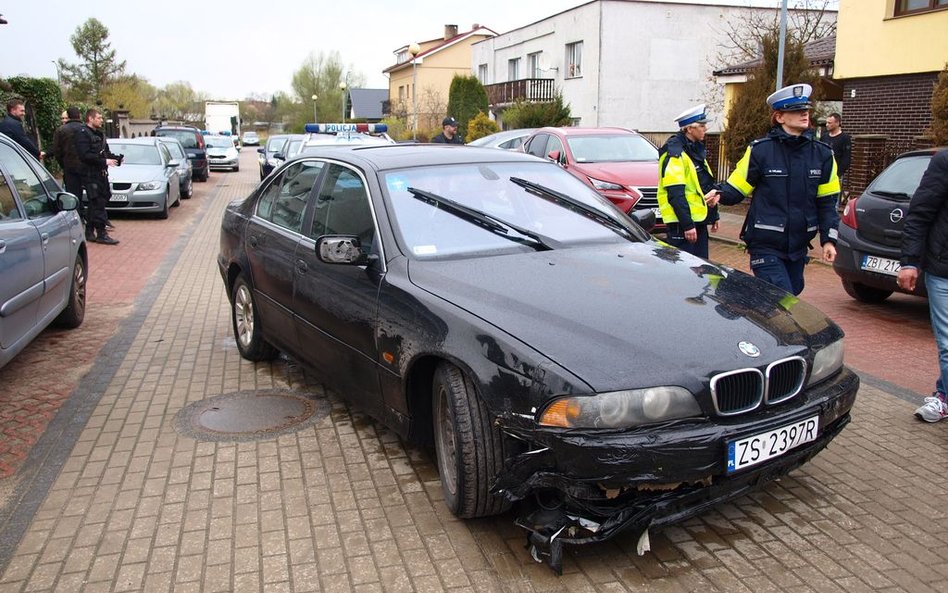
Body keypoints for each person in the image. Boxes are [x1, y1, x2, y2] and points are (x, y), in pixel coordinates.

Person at [716, 83, 840, 296]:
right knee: (784, 298)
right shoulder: (760, 151)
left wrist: (828, 239)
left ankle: (749, 310)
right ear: (780, 117)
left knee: (791, 292)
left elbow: (827, 203)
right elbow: (737, 187)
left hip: (799, 247)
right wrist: (719, 194)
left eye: (806, 110)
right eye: (796, 110)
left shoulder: (823, 155)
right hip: (765, 244)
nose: (804, 114)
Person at [897, 149, 948, 422]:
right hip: (943, 270)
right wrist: (909, 262)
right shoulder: (945, 161)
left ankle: (943, 395)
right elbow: (919, 214)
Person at [656, 103, 720, 258]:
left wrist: (713, 214)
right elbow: (675, 193)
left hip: (698, 222)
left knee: (702, 270)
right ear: (689, 129)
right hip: (682, 225)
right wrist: (687, 225)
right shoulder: (675, 154)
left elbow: (704, 185)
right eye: (701, 125)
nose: (705, 129)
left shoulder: (695, 150)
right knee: (685, 271)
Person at [75, 108, 120, 245]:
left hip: (102, 174)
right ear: (90, 118)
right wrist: (104, 161)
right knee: (98, 203)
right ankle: (101, 233)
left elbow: (105, 152)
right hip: (90, 175)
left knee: (100, 200)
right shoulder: (82, 134)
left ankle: (89, 230)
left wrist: (116, 159)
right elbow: (85, 155)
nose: (101, 120)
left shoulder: (100, 134)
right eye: (99, 118)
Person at [820, 112, 851, 178]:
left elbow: (846, 158)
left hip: (836, 174)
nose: (827, 125)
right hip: (823, 172)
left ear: (837, 123)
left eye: (829, 123)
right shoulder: (824, 137)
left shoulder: (845, 138)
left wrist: (838, 173)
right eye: (827, 122)